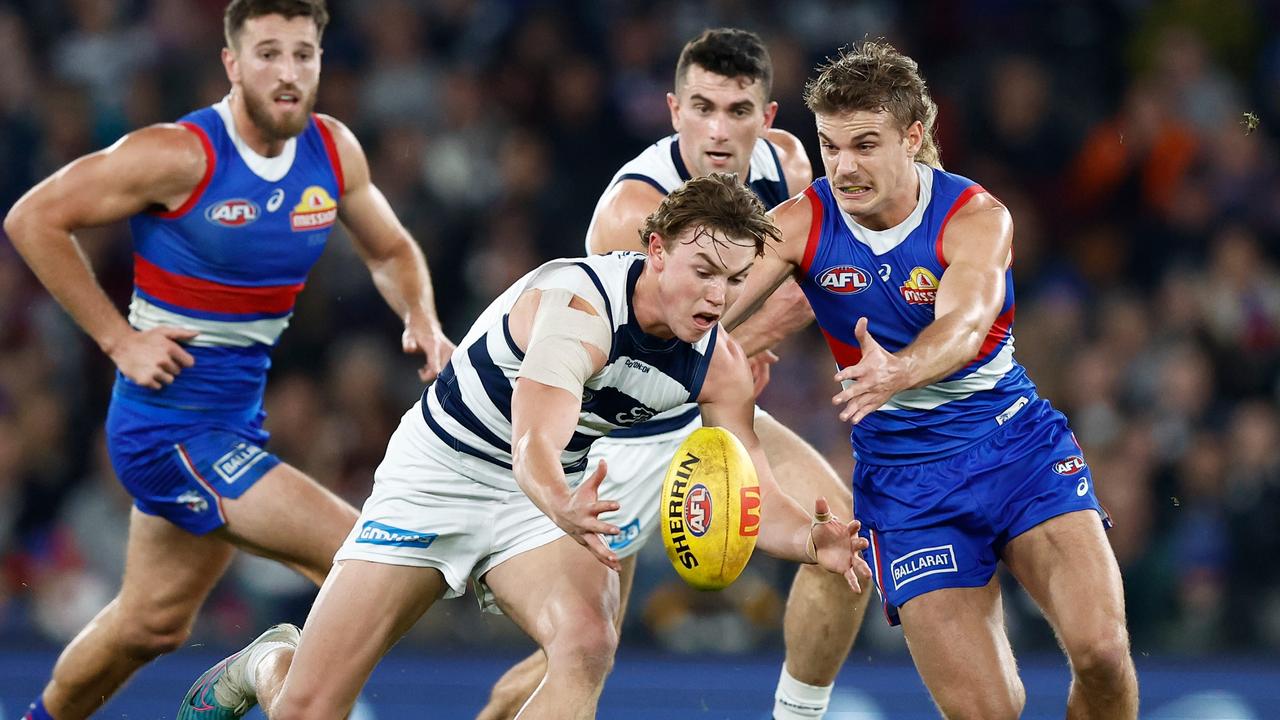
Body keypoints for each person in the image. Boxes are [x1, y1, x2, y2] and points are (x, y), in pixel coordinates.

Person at [177, 173, 872, 720]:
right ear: (656, 250)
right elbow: (534, 437)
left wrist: (815, 542)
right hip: (444, 477)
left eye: (733, 279)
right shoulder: (580, 304)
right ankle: (264, 663)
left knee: (587, 644)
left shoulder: (717, 365)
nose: (716, 296)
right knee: (306, 709)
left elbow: (748, 484)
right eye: (702, 270)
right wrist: (564, 503)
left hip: (543, 501)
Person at [2, 2, 453, 719]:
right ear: (232, 64)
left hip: (234, 425)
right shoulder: (179, 154)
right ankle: (272, 672)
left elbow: (392, 250)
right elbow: (31, 218)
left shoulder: (334, 153)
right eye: (268, 54)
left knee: (151, 624)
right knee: (364, 554)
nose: (288, 73)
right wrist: (119, 339)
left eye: (303, 55)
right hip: (167, 427)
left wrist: (422, 319)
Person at [723, 41, 1140, 719]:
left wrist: (900, 369)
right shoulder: (801, 222)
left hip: (1017, 450)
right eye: (832, 147)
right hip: (908, 487)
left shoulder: (975, 217)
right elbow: (706, 300)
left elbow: (968, 321)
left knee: (1101, 651)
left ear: (912, 137)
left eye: (865, 144)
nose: (845, 166)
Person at [479, 29, 868, 720]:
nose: (720, 130)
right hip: (620, 427)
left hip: (714, 408)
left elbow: (831, 271)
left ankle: (797, 715)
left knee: (840, 542)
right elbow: (657, 345)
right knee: (583, 651)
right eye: (703, 107)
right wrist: (748, 336)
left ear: (768, 118)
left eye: (739, 109)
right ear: (673, 111)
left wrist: (738, 344)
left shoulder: (787, 163)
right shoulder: (632, 211)